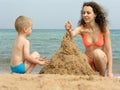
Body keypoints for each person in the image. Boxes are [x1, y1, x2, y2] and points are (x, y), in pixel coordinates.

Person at [65, 1, 113, 77]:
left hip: (101, 61)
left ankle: (102, 76)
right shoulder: (81, 28)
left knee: (97, 53)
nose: (85, 15)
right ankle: (89, 75)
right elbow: (71, 35)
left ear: (95, 15)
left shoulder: (103, 28)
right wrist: (69, 30)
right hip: (88, 62)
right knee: (81, 56)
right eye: (83, 13)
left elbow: (108, 50)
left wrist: (110, 72)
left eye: (88, 13)